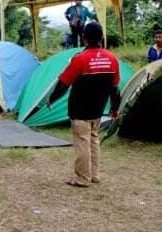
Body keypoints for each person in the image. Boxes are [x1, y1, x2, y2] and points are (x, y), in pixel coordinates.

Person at [47, 22, 121, 187]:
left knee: (82, 142)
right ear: (102, 38)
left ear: (84, 38)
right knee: (94, 140)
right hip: (98, 110)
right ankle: (94, 175)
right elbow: (115, 89)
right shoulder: (112, 59)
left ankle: (82, 178)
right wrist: (114, 108)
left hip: (80, 110)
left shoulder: (80, 59)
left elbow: (63, 84)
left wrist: (52, 98)